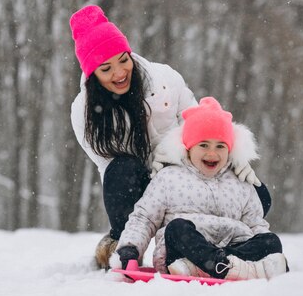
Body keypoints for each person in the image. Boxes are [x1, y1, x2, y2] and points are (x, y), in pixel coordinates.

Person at [68, 5, 270, 269]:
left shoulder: (164, 79)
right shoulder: (84, 113)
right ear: (93, 75)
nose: (119, 73)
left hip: (185, 171)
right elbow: (107, 168)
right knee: (120, 171)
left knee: (259, 194)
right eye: (106, 69)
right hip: (138, 181)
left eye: (123, 60)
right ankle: (124, 243)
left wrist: (232, 158)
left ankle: (221, 242)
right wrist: (151, 181)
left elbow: (200, 125)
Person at [111, 97, 288, 280]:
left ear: (229, 150)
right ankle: (232, 268)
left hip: (233, 248)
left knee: (271, 241)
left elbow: (255, 223)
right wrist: (130, 249)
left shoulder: (240, 182)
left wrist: (268, 249)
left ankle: (219, 267)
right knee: (177, 228)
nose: (212, 153)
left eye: (220, 146)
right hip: (186, 251)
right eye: (203, 145)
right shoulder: (169, 177)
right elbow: (144, 218)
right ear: (188, 148)